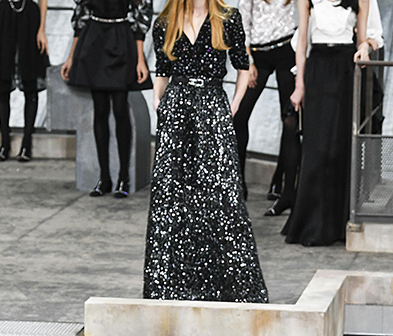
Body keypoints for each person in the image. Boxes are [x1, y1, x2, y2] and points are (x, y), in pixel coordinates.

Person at [142, 0, 268, 303]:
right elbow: (162, 68)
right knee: (172, 195)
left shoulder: (228, 19)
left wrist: (234, 105)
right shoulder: (166, 21)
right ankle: (171, 284)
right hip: (177, 108)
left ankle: (228, 286)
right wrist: (159, 103)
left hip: (212, 106)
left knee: (221, 192)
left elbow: (242, 65)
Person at [280, 0, 369, 246]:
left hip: (345, 70)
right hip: (317, 68)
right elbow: (301, 43)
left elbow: (362, 38)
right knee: (316, 147)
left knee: (338, 148)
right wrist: (299, 85)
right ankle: (310, 223)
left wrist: (365, 48)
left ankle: (337, 225)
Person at [61, 0, 152, 197]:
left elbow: (141, 18)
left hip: (121, 39)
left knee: (120, 109)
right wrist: (70, 57)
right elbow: (80, 17)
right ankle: (104, 178)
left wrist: (140, 59)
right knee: (100, 110)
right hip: (94, 41)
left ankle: (123, 177)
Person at [233, 0, 299, 217]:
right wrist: (248, 60)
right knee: (239, 115)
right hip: (257, 55)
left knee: (290, 119)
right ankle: (238, 182)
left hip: (287, 50)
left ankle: (284, 187)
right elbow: (243, 20)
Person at [0, 0, 50, 162]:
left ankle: (27, 143)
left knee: (30, 82)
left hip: (30, 18)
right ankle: (4, 142)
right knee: (2, 83)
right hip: (3, 18)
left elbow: (43, 1)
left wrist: (42, 30)